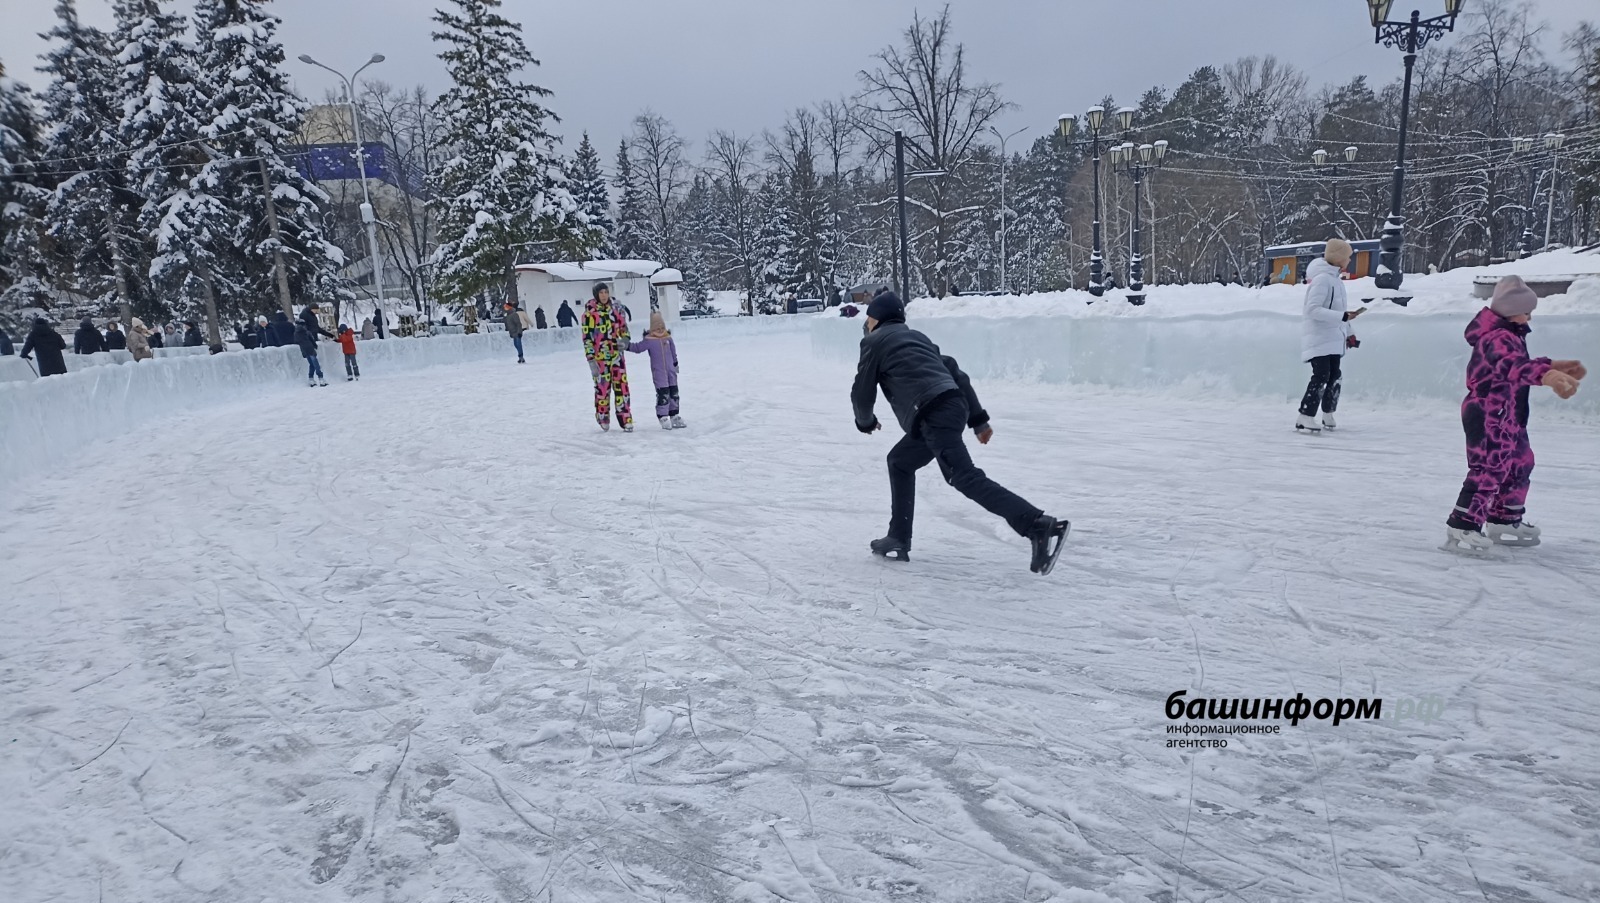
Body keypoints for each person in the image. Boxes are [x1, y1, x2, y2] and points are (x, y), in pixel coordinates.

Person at [852, 291, 1069, 574]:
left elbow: (862, 391)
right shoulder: (919, 338)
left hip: (931, 411)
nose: (866, 322)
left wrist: (865, 422)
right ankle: (898, 537)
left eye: (868, 317)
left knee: (963, 476)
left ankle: (1037, 525)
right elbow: (957, 374)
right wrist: (978, 420)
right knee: (900, 461)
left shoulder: (874, 342)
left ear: (877, 318)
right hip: (952, 405)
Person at [1443, 276, 1585, 555]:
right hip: (1487, 412)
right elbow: (1512, 366)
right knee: (1489, 468)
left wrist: (1554, 365)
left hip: (1509, 412)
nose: (1530, 316)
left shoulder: (1510, 333)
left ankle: (1504, 517)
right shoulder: (1496, 338)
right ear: (1510, 310)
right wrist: (1548, 375)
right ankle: (1464, 523)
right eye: (1526, 310)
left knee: (1521, 462)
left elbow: (1521, 363)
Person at [1295, 238, 1364, 434]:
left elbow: (1339, 311)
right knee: (1321, 375)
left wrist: (1349, 333)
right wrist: (1342, 316)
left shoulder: (1336, 281)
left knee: (1335, 375)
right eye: (1348, 257)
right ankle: (1305, 415)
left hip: (1333, 338)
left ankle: (1328, 413)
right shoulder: (1322, 280)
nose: (1349, 261)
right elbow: (1313, 310)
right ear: (1338, 258)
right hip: (1319, 339)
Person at [581, 283, 633, 431]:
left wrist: (625, 340)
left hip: (617, 356)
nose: (604, 295)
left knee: (622, 388)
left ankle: (626, 418)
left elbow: (624, 329)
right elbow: (587, 338)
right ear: (596, 295)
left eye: (606, 292)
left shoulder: (617, 310)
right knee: (602, 389)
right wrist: (591, 359)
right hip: (600, 359)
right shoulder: (589, 314)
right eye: (601, 292)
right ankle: (603, 417)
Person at [627, 310, 684, 429]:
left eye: (662, 327)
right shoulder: (649, 340)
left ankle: (674, 415)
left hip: (671, 372)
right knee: (663, 393)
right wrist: (626, 346)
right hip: (659, 373)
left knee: (674, 393)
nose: (660, 329)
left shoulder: (668, 339)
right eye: (657, 327)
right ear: (652, 328)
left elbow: (673, 352)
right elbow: (637, 347)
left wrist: (675, 364)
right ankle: (662, 416)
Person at [293, 306, 335, 387]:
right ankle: (320, 378)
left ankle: (311, 378)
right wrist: (314, 345)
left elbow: (310, 337)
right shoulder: (303, 330)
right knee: (315, 363)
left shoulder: (302, 331)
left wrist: (314, 344)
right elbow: (309, 338)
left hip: (307, 349)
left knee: (312, 364)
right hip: (309, 348)